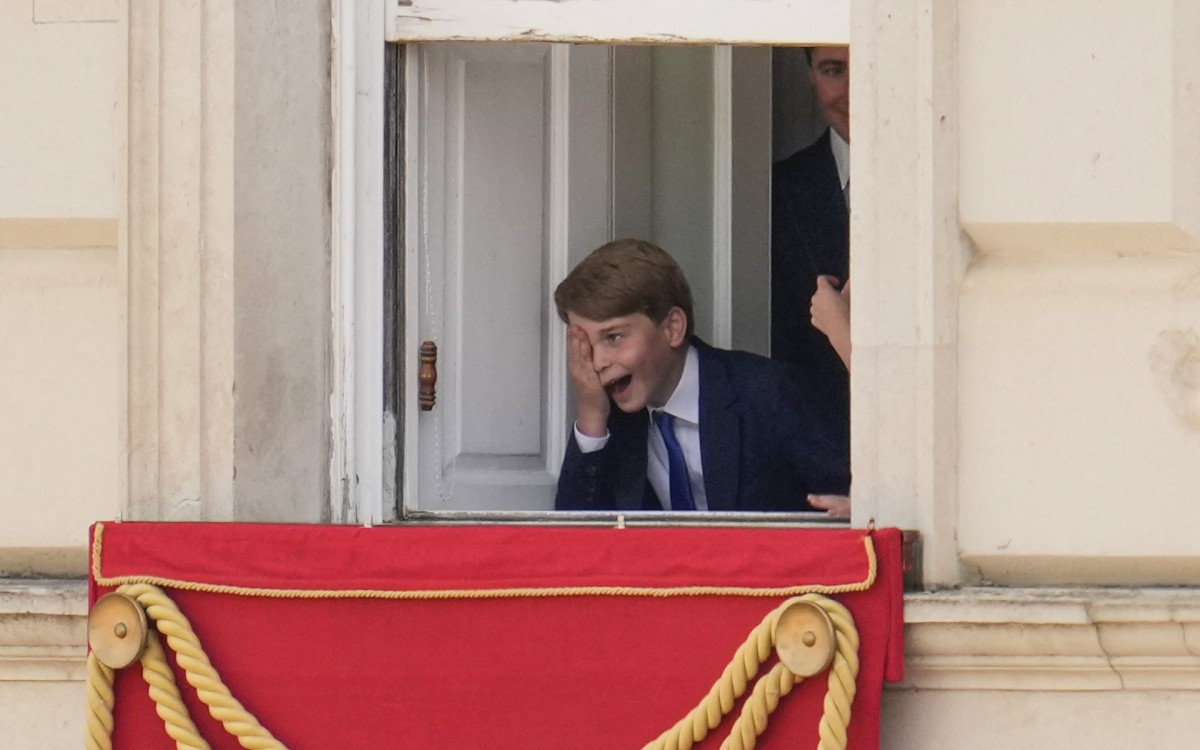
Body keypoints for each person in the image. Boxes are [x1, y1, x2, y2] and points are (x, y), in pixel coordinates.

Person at [553, 238, 850, 514]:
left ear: (672, 328)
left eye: (614, 337)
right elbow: (573, 545)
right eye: (586, 346)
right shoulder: (615, 421)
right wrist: (591, 416)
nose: (599, 361)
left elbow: (853, 500)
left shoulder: (769, 392)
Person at [771, 46, 853, 515]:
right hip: (812, 479)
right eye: (833, 71)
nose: (852, 91)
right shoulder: (776, 190)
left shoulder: (944, 180)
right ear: (809, 75)